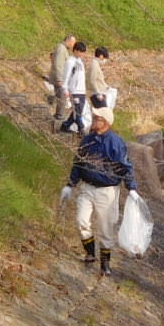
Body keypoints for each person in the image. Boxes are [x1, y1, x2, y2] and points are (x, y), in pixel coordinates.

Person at [61, 111, 136, 277]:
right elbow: (78, 164)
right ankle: (90, 253)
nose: (94, 121)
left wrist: (131, 188)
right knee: (82, 221)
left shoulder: (115, 143)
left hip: (107, 190)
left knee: (106, 227)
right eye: (94, 118)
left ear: (106, 122)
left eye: (97, 119)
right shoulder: (88, 140)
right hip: (87, 187)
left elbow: (125, 166)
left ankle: (105, 263)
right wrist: (70, 185)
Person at [59, 41, 89, 133]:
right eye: (80, 51)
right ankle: (82, 129)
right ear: (75, 50)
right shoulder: (70, 62)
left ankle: (65, 125)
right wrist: (65, 89)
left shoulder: (80, 62)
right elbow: (66, 76)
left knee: (78, 111)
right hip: (74, 91)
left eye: (83, 52)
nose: (82, 54)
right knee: (77, 113)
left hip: (81, 91)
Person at [49, 33, 75, 124]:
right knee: (62, 98)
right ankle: (60, 117)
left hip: (61, 79)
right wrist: (59, 79)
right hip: (59, 79)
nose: (73, 45)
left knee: (62, 98)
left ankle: (60, 115)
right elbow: (58, 65)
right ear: (68, 41)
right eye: (72, 43)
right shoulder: (61, 48)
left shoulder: (62, 49)